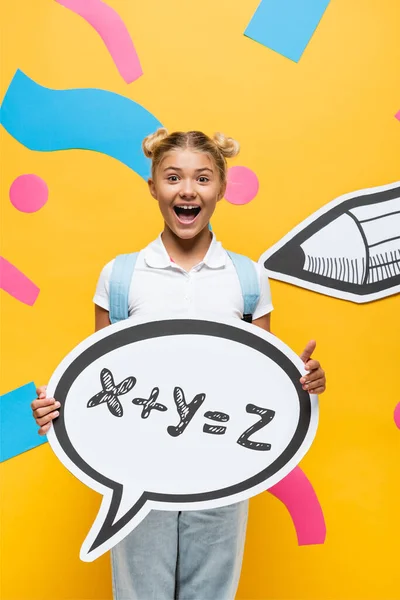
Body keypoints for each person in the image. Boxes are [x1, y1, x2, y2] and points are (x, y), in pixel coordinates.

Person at [32, 128, 326, 600]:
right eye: (173, 177)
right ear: (153, 187)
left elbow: (264, 381)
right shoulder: (121, 276)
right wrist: (56, 410)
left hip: (224, 466)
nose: (187, 190)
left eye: (202, 178)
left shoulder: (247, 277)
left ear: (221, 189)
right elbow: (98, 382)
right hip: (136, 464)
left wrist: (303, 381)